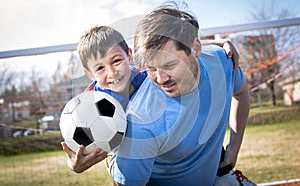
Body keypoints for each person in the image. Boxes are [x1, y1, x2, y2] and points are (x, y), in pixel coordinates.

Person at [61, 24, 242, 176]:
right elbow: (78, 150)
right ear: (89, 74)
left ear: (129, 55)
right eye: (100, 68)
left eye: (116, 61)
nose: (111, 72)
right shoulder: (90, 103)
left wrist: (216, 43)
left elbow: (173, 50)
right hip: (127, 158)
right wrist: (74, 166)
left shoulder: (144, 73)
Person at [107, 2, 251, 185]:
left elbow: (241, 92)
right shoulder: (141, 122)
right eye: (151, 68)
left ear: (196, 49)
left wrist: (234, 148)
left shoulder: (222, 61)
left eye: (169, 65)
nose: (160, 78)